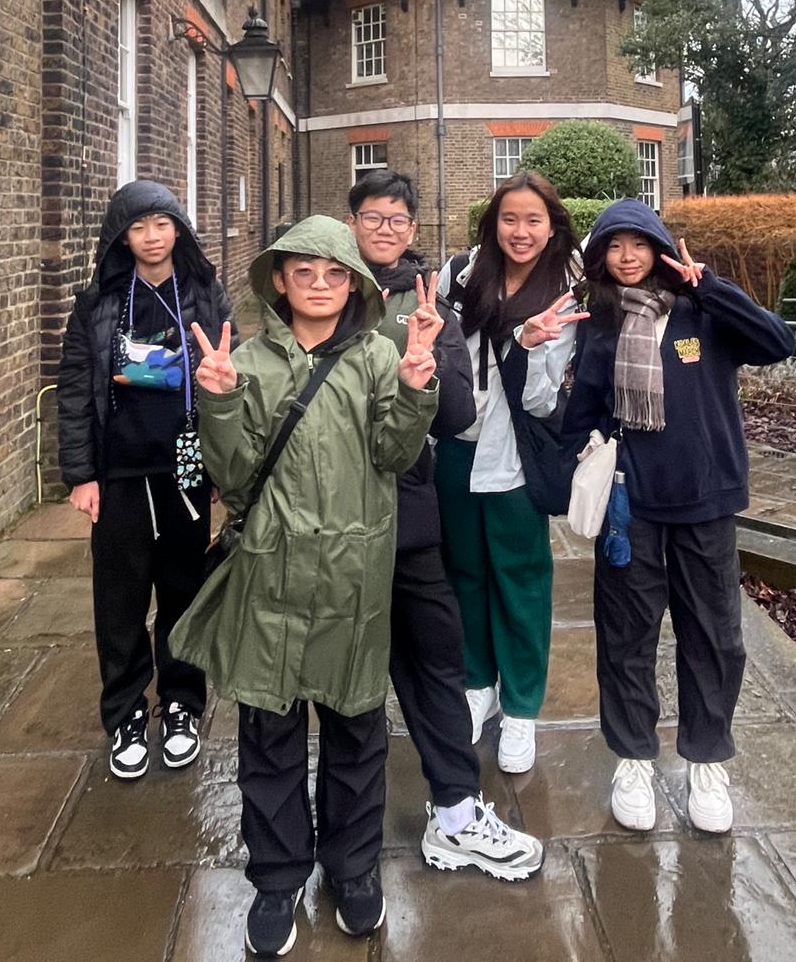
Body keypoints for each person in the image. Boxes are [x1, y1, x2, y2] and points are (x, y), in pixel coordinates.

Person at [169, 217, 440, 958]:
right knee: (269, 738)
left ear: (354, 284)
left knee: (356, 732)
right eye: (303, 272)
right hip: (272, 578)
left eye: (334, 273)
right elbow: (233, 477)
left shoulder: (379, 357)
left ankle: (353, 868)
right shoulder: (249, 363)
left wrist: (415, 385)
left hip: (355, 580)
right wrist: (219, 401)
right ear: (280, 282)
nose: (319, 285)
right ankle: (277, 875)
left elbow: (394, 454)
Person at [561, 199, 795, 835]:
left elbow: (777, 342)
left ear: (660, 249)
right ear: (601, 257)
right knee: (627, 634)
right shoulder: (599, 321)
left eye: (639, 244)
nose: (627, 256)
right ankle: (634, 757)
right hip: (631, 504)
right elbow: (582, 411)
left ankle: (707, 761)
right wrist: (584, 453)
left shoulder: (702, 311)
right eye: (615, 246)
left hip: (706, 498)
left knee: (714, 635)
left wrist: (711, 286)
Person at [347, 170, 544, 880]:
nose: (386, 230)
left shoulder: (430, 300)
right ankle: (346, 842)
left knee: (434, 660)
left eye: (399, 220)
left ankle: (457, 813)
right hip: (326, 517)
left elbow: (458, 412)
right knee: (344, 677)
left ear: (412, 228)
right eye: (374, 217)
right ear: (352, 222)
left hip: (406, 508)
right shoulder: (321, 287)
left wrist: (424, 364)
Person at [57, 180, 232, 780]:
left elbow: (229, 381)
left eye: (162, 224)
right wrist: (81, 474)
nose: (152, 237)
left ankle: (182, 705)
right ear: (121, 236)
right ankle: (126, 711)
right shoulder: (99, 302)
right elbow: (74, 391)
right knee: (120, 598)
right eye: (139, 227)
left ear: (178, 229)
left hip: (185, 466)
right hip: (120, 471)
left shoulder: (204, 294)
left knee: (185, 591)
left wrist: (220, 465)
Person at [435, 171, 586, 775]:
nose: (520, 232)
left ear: (552, 227)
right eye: (509, 219)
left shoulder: (566, 289)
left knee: (521, 579)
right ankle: (478, 684)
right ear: (492, 223)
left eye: (533, 220)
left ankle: (521, 705)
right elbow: (442, 355)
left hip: (517, 452)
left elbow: (545, 400)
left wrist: (528, 345)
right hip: (455, 445)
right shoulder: (460, 274)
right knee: (464, 572)